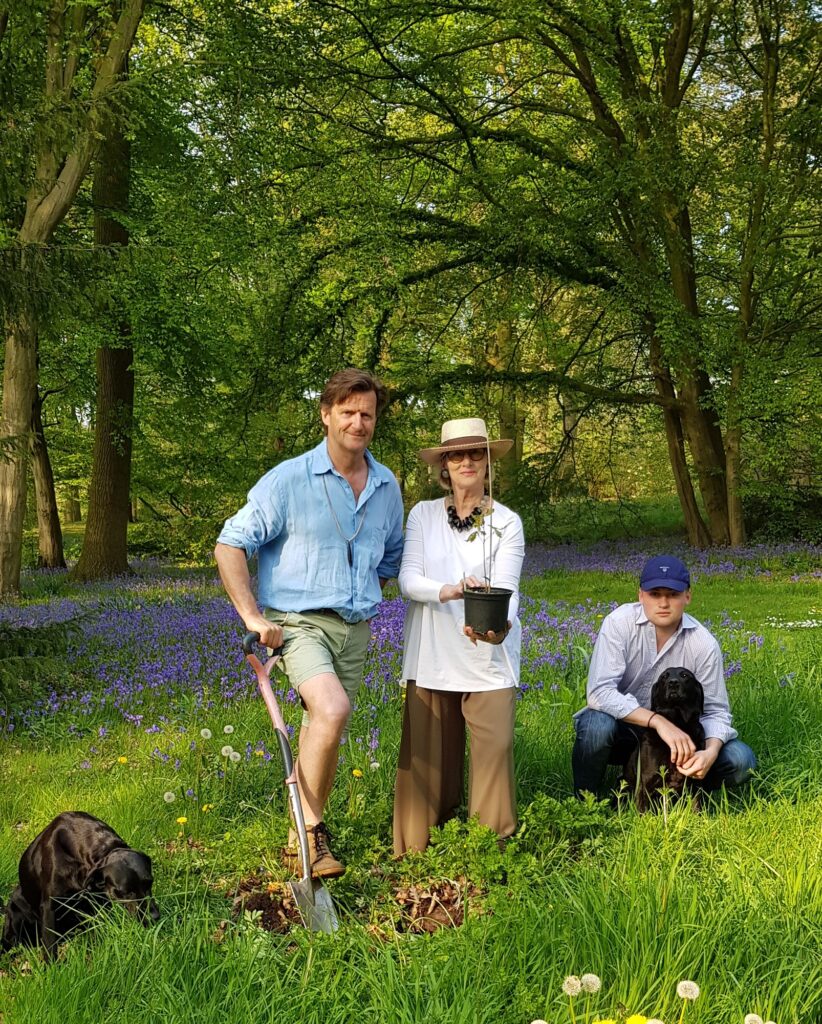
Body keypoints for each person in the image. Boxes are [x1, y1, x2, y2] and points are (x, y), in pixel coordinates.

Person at [215, 369, 404, 877]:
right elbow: (230, 544)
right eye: (347, 412)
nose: (358, 422)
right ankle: (313, 833)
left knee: (325, 726)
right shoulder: (288, 480)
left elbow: (390, 559)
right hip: (296, 624)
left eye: (367, 414)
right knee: (333, 708)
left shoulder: (386, 486)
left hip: (355, 629)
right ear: (325, 415)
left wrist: (355, 594)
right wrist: (253, 616)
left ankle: (297, 839)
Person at [393, 417, 525, 856]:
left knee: (495, 749)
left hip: (487, 653)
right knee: (429, 760)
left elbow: (507, 588)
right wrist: (449, 590)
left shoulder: (507, 522)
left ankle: (489, 851)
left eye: (475, 454)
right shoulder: (423, 515)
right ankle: (418, 850)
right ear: (443, 466)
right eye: (455, 455)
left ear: (487, 463)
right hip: (431, 652)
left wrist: (496, 627)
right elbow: (408, 579)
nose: (466, 461)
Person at [572, 554, 757, 799]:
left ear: (687, 596)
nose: (663, 603)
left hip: (678, 740)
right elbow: (599, 692)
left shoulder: (703, 643)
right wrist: (658, 722)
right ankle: (586, 803)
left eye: (673, 594)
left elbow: (715, 711)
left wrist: (709, 753)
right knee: (596, 725)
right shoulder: (619, 623)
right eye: (655, 594)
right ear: (640, 595)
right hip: (622, 730)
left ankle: (682, 788)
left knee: (740, 760)